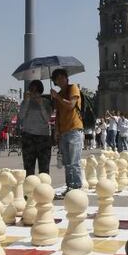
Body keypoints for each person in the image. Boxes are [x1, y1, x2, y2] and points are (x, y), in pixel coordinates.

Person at [49, 68, 84, 199]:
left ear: (66, 78)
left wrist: (57, 96)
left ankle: (77, 187)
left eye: (61, 77)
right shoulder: (59, 93)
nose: (60, 80)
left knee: (74, 161)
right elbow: (58, 114)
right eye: (57, 79)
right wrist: (56, 131)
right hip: (63, 131)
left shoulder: (73, 88)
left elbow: (71, 105)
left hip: (74, 129)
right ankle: (70, 186)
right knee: (67, 162)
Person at [18, 79, 52, 176]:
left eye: (36, 91)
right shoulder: (25, 102)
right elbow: (21, 116)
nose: (34, 93)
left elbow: (47, 119)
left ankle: (44, 189)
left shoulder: (46, 102)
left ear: (40, 91)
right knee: (28, 168)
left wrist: (41, 104)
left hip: (43, 137)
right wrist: (27, 101)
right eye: (31, 90)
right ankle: (30, 188)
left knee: (44, 169)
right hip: (28, 136)